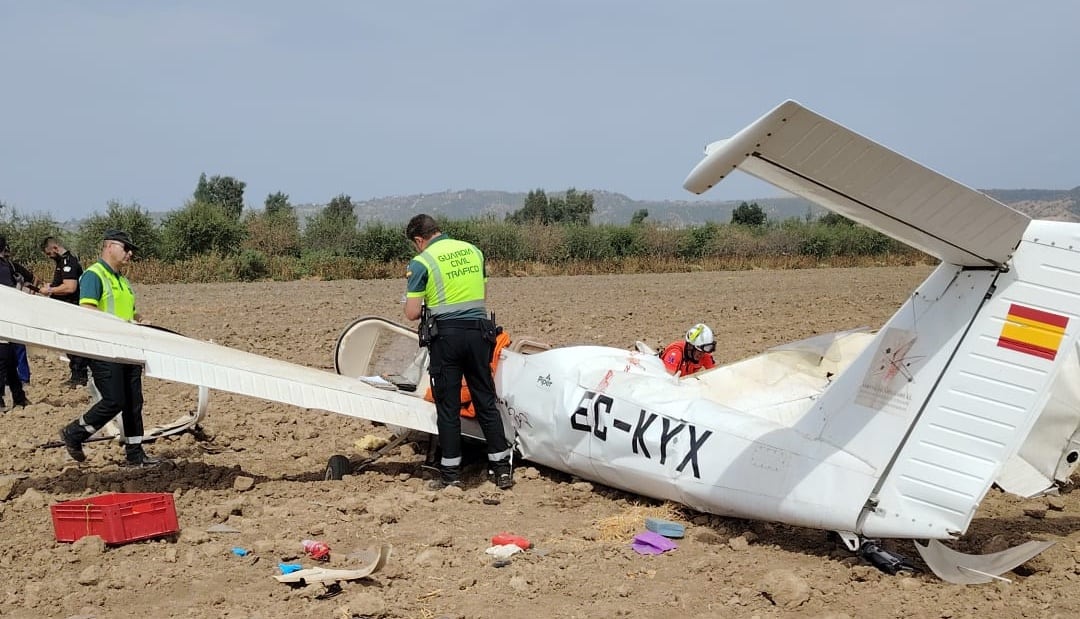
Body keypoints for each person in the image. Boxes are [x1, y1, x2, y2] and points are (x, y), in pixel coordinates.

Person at [403, 214, 514, 490]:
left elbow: (412, 313)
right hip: (479, 333)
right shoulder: (474, 252)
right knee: (485, 400)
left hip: (447, 338)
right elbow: (481, 295)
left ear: (419, 240)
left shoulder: (422, 262)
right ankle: (501, 470)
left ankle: (451, 475)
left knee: (448, 406)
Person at [59, 230, 162, 467]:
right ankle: (75, 433)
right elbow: (87, 310)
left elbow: (130, 311)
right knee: (114, 401)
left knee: (134, 403)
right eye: (125, 248)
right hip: (106, 350)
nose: (130, 253)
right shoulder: (94, 276)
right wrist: (122, 325)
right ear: (109, 247)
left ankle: (136, 455)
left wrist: (140, 320)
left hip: (129, 349)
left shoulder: (122, 280)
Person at [41, 236, 89, 386]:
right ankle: (77, 374)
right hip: (65, 309)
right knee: (69, 344)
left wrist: (50, 290)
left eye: (49, 254)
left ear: (55, 248)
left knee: (73, 343)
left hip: (71, 308)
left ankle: (79, 376)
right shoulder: (62, 262)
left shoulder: (68, 262)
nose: (49, 257)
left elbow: (70, 287)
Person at [0, 235, 33, 411]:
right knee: (8, 360)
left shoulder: (5, 267)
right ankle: (18, 397)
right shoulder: (8, 266)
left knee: (4, 359)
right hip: (9, 318)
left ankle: (8, 399)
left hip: (4, 319)